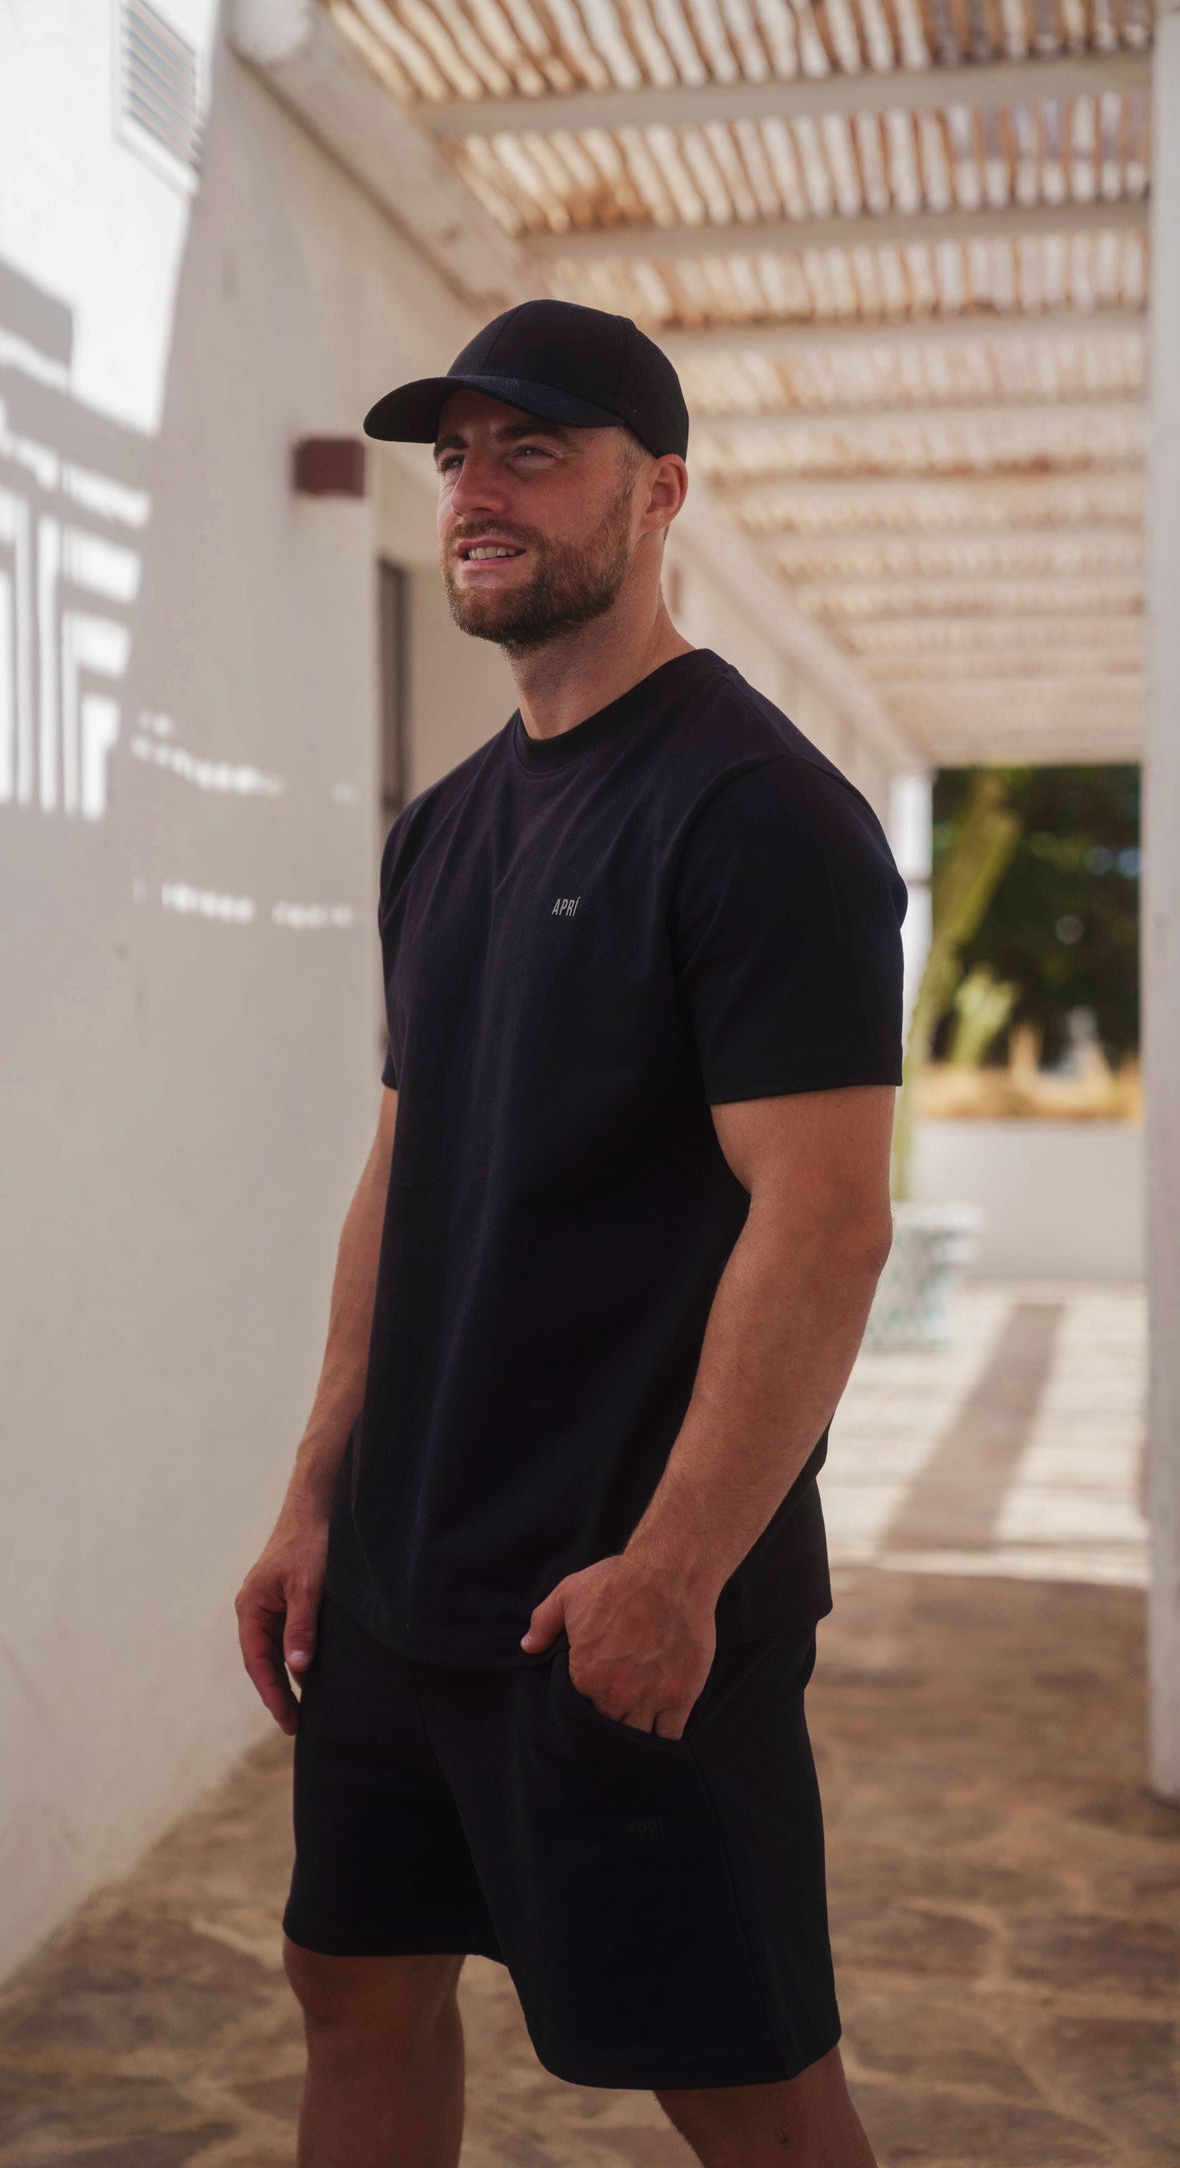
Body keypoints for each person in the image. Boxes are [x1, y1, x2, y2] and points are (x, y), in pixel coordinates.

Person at [235, 297, 905, 2167]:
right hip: (400, 1574)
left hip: (608, 1590)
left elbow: (826, 1219)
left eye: (530, 449)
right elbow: (404, 1167)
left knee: (744, 2078)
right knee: (351, 1984)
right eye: (454, 456)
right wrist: (315, 1496)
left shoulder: (760, 813)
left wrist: (677, 1573)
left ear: (657, 491)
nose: (474, 492)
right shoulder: (443, 829)